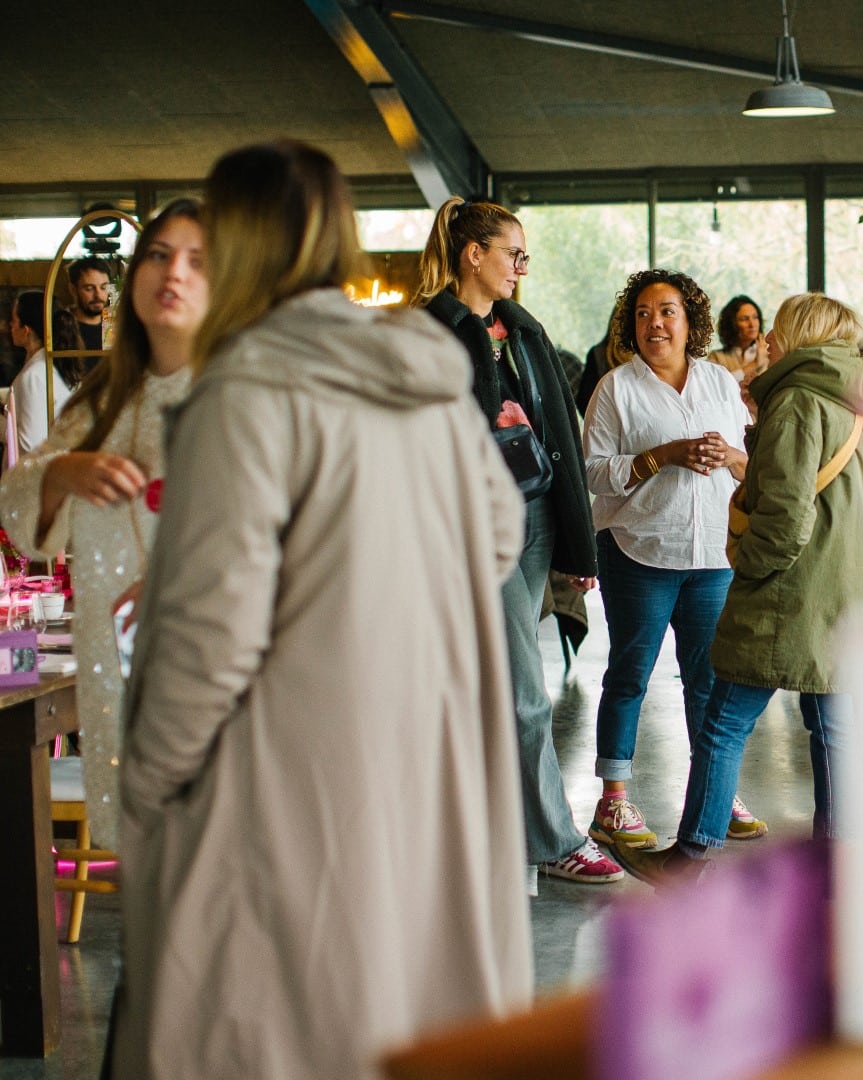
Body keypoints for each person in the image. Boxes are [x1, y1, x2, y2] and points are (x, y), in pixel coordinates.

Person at [111, 141, 534, 1079]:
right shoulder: (418, 379)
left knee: (265, 1028)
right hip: (421, 747)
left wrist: (145, 785)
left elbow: (212, 634)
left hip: (278, 781)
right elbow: (498, 531)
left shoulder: (247, 392)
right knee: (389, 1014)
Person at [619, 292, 863, 885]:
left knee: (723, 720)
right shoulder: (857, 404)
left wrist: (747, 563)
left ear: (801, 337)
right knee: (833, 725)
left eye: (778, 329)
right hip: (841, 589)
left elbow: (786, 517)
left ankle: (690, 858)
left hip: (788, 592)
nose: (767, 339)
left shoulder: (795, 403)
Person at [416, 195, 623, 886]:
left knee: (499, 682)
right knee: (524, 690)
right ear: (473, 254)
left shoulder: (521, 330)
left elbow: (559, 435)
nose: (521, 268)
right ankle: (552, 837)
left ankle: (487, 831)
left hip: (535, 519)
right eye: (514, 254)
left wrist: (578, 549)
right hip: (471, 525)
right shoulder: (428, 332)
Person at [0, 198, 205, 855]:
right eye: (158, 254)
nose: (173, 272)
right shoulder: (101, 401)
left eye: (196, 260)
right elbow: (23, 521)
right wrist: (62, 475)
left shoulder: (255, 396)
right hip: (122, 691)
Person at [581, 269, 762, 852]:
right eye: (642, 314)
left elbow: (748, 459)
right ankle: (613, 802)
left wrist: (728, 454)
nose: (653, 323)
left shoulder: (719, 382)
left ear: (690, 322)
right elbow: (592, 473)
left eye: (666, 312)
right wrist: (660, 456)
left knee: (709, 682)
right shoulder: (616, 388)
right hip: (639, 551)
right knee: (630, 674)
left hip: (713, 551)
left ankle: (715, 792)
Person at [8, 290, 79, 454]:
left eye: (13, 321)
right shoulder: (48, 366)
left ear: (26, 330)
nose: (10, 326)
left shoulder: (34, 376)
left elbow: (30, 443)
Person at [67, 257, 113, 352]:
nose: (98, 295)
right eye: (89, 288)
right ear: (73, 289)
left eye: (103, 287)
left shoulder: (114, 327)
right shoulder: (63, 328)